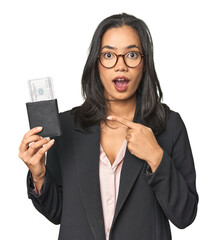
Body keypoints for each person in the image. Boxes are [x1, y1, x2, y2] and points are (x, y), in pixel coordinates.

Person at [18, 13, 199, 240]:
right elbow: (58, 213)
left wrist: (156, 157)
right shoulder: (66, 126)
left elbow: (185, 215)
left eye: (132, 55)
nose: (120, 65)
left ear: (145, 63)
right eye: (109, 55)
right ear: (96, 64)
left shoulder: (169, 126)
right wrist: (39, 175)